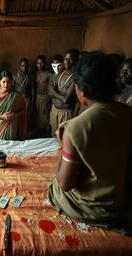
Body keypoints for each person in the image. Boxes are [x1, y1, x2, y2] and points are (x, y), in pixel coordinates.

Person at [48, 51, 132, 235]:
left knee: (53, 186)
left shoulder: (75, 128)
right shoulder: (127, 113)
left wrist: (63, 144)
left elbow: (65, 184)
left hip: (93, 210)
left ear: (81, 90)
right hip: (121, 203)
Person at [0, 70, 27, 140]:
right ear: (0, 82)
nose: (6, 85)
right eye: (4, 82)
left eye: (8, 82)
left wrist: (15, 115)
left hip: (12, 125)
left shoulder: (16, 95)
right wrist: (2, 116)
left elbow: (23, 110)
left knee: (11, 145)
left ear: (11, 83)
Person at [48, 49, 79, 136]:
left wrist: (54, 91)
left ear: (76, 61)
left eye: (70, 59)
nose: (67, 61)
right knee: (54, 137)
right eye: (66, 59)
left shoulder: (75, 78)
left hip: (66, 113)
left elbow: (66, 100)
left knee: (64, 139)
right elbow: (49, 94)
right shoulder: (60, 74)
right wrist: (60, 95)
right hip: (55, 111)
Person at [13, 58, 35, 135]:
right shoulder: (15, 76)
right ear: (19, 66)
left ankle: (25, 131)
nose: (24, 67)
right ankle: (18, 131)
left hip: (27, 98)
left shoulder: (31, 76)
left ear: (28, 66)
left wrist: (33, 100)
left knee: (27, 116)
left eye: (25, 65)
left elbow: (32, 89)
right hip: (18, 99)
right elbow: (12, 89)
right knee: (18, 115)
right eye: (22, 66)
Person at [35, 55, 52, 136]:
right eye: (38, 63)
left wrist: (49, 100)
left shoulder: (49, 74)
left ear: (45, 63)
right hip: (38, 97)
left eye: (41, 63)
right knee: (38, 116)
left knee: (46, 115)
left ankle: (48, 134)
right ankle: (39, 134)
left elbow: (51, 88)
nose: (40, 65)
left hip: (46, 97)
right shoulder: (36, 73)